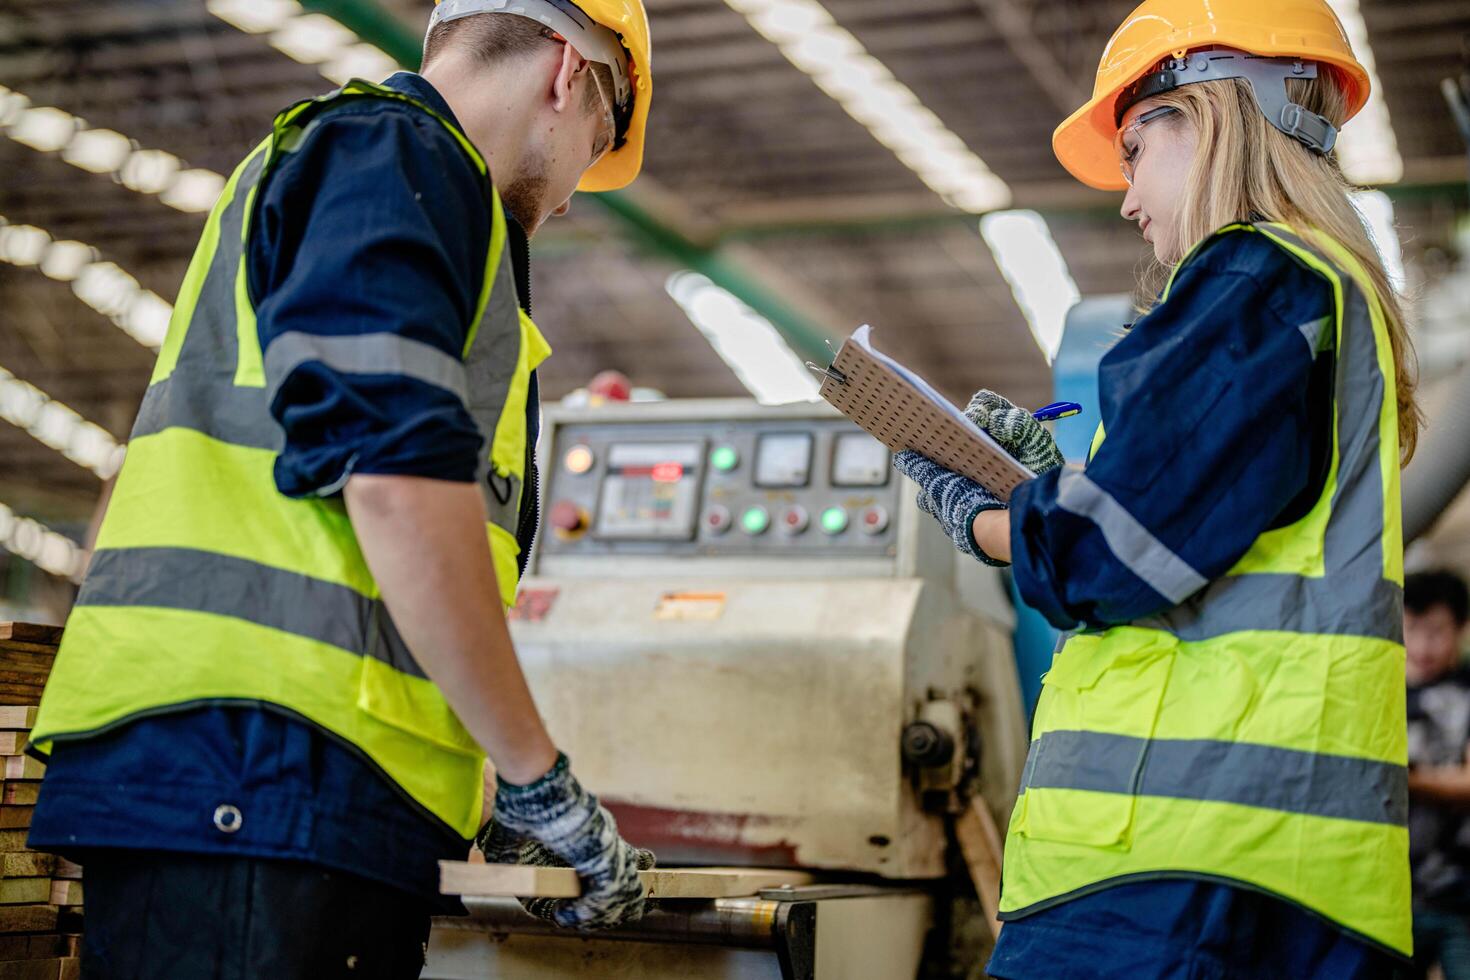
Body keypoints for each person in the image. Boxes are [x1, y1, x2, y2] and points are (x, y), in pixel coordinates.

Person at [25, 1, 653, 976]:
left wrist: (479, 782)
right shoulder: (395, 159)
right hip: (261, 782)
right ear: (568, 72)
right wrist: (538, 774)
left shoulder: (359, 175)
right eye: (599, 142)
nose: (575, 192)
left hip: (260, 788)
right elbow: (399, 480)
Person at [893, 0, 1423, 976]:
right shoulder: (1304, 297)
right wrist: (1054, 488)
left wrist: (987, 515)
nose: (1130, 199)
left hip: (1183, 887)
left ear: (1215, 111)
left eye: (1137, 147)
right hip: (1252, 876)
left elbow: (1111, 553)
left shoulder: (1255, 280)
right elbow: (1184, 535)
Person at [1404, 570, 1470, 979]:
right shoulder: (1377, 688)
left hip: (1457, 895)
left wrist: (1407, 779)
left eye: (1437, 631)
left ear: (1461, 630)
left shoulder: (1466, 694)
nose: (1424, 645)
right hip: (1388, 898)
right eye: (1413, 627)